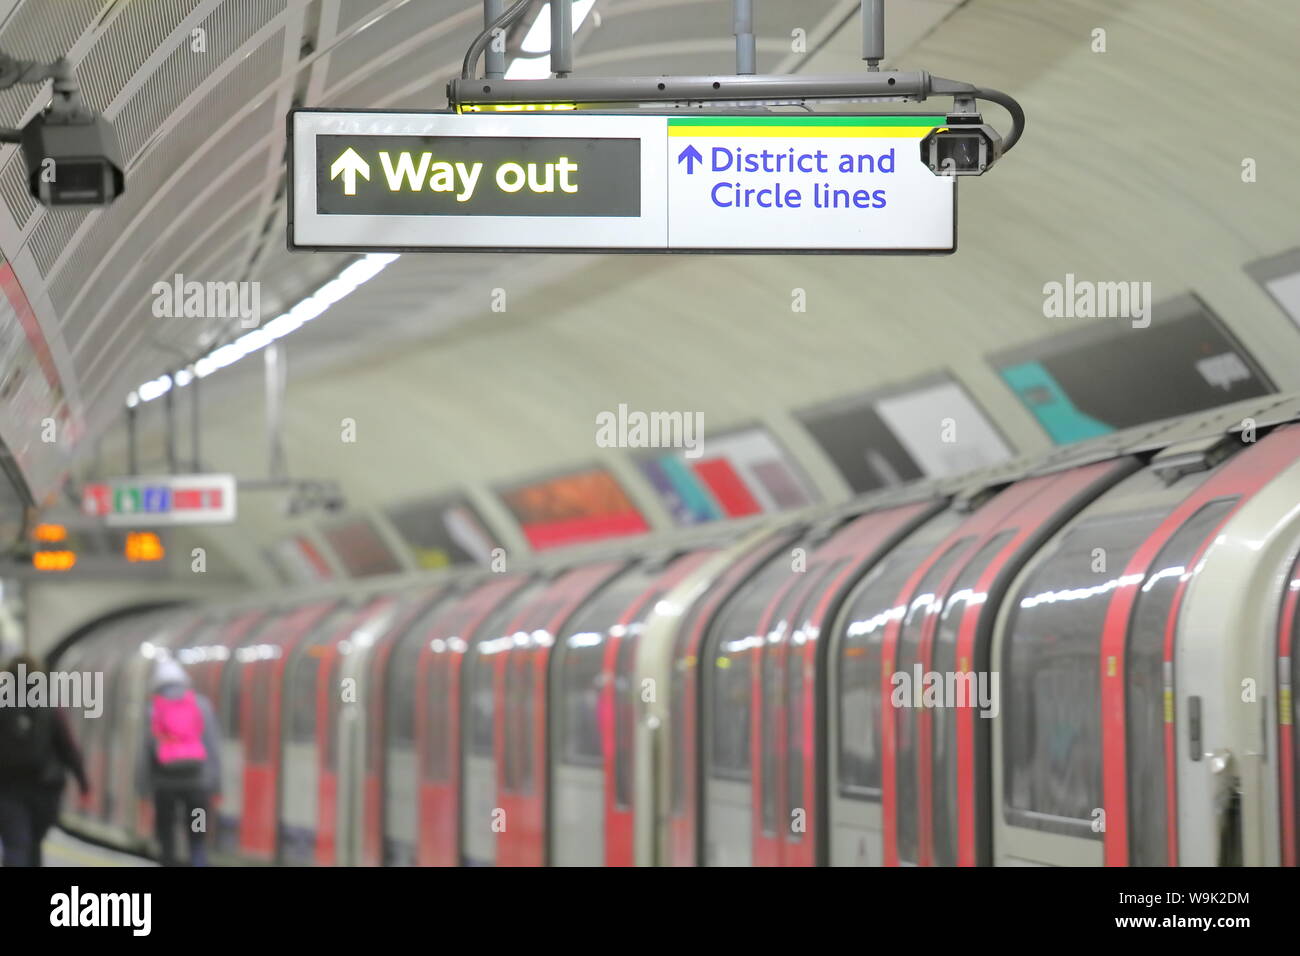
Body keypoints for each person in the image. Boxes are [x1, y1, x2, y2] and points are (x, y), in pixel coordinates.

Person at [0, 655, 89, 867]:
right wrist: (83, 781)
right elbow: (66, 745)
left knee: (16, 844)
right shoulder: (48, 703)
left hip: (6, 787)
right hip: (45, 787)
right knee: (34, 844)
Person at [137, 656, 221, 866]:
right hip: (197, 786)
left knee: (166, 835)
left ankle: (168, 861)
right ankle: (199, 860)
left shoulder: (153, 709)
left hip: (164, 786)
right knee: (197, 833)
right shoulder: (201, 706)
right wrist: (216, 785)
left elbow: (145, 752)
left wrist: (143, 789)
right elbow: (212, 748)